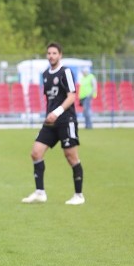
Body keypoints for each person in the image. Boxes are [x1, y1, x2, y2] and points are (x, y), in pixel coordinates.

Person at [22, 42, 85, 206]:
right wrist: (49, 114)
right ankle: (40, 192)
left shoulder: (66, 72)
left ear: (60, 55)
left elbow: (72, 96)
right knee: (36, 153)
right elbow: (50, 98)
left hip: (66, 120)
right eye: (49, 53)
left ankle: (79, 195)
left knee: (71, 156)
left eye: (54, 53)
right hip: (50, 122)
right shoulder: (45, 74)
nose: (51, 56)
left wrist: (57, 112)